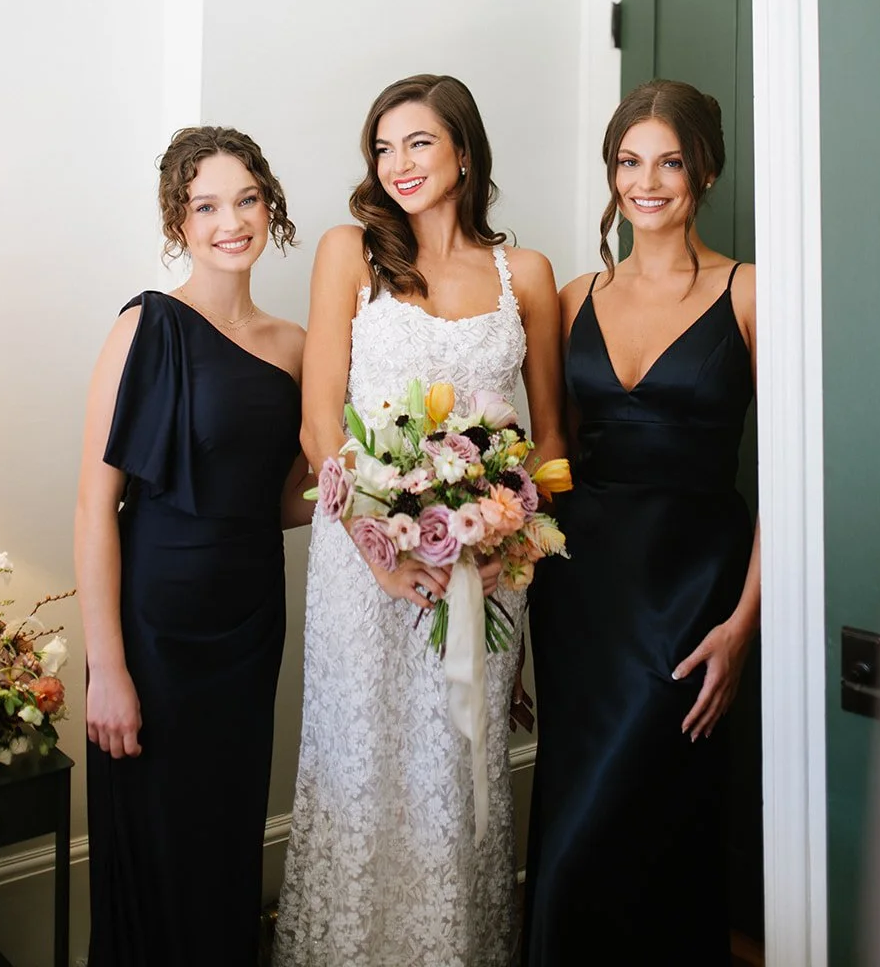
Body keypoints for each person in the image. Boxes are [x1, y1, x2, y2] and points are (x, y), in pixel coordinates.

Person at [273, 74, 563, 967]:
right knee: (358, 765)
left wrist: (503, 533)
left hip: (484, 572)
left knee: (454, 771)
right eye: (383, 147)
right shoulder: (346, 253)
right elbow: (321, 424)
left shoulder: (528, 275)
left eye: (419, 143)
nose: (397, 164)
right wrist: (380, 550)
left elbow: (548, 441)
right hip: (360, 562)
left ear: (464, 152)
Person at [522, 79, 761, 966]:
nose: (645, 181)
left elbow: (788, 479)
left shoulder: (748, 292)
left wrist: (740, 627)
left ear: (704, 169)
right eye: (628, 161)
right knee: (575, 805)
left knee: (653, 808)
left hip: (690, 585)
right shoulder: (577, 290)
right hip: (580, 588)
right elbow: (557, 456)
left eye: (667, 160)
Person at [75, 126, 309, 967]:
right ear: (178, 221)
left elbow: (283, 498)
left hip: (247, 625)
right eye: (206, 205)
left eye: (245, 199)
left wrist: (387, 501)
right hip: (153, 629)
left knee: (223, 845)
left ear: (269, 205)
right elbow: (94, 507)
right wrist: (107, 671)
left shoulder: (296, 346)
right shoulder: (145, 327)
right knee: (157, 852)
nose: (230, 221)